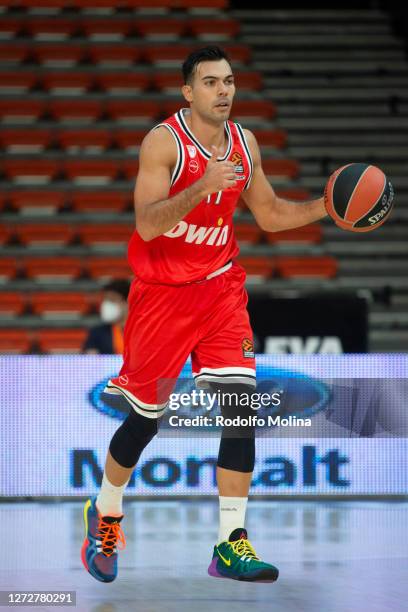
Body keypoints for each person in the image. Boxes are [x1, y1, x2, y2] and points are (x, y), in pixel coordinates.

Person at [81, 45, 328, 584]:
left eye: (230, 81)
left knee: (241, 411)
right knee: (146, 419)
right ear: (188, 92)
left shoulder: (245, 144)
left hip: (220, 289)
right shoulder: (163, 142)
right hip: (162, 294)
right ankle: (105, 511)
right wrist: (201, 187)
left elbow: (269, 214)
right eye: (211, 82)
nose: (224, 91)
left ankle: (229, 544)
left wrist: (326, 208)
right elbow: (146, 225)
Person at [82, 279, 130, 355]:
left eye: (112, 299)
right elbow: (89, 359)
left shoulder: (142, 332)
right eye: (106, 300)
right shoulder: (96, 334)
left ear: (126, 302)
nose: (107, 304)